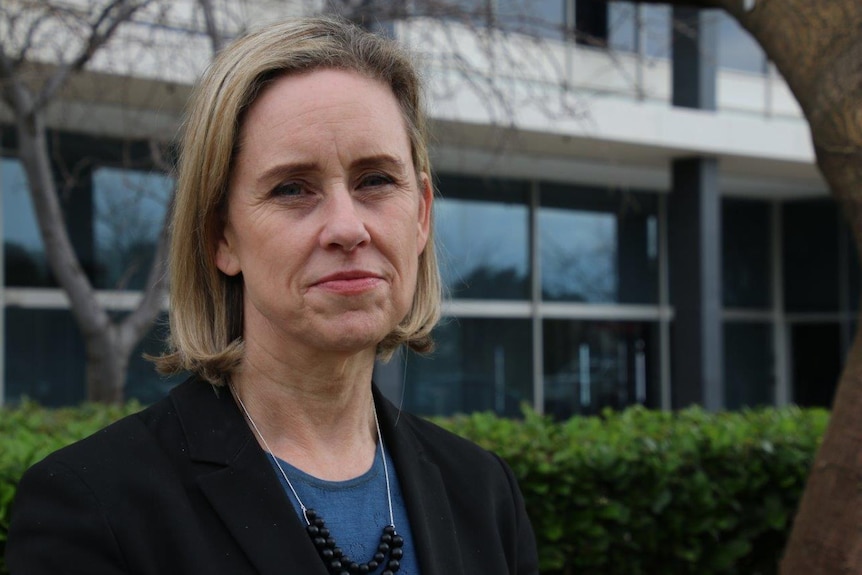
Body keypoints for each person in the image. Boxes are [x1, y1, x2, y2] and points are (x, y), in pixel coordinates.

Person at [6, 16, 538, 575]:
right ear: (221, 237)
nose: (347, 227)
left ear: (423, 213)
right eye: (292, 188)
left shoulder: (484, 492)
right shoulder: (94, 507)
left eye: (375, 180)